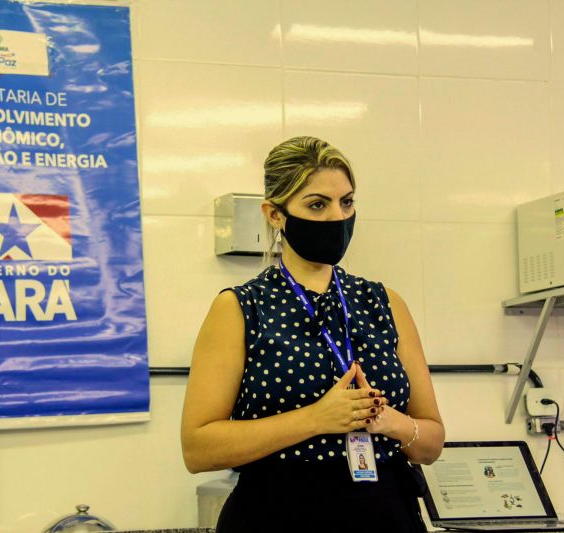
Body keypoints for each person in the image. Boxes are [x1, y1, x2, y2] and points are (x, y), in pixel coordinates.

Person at [181, 136, 445, 532]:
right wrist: (316, 419)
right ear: (275, 214)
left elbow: (432, 442)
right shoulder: (240, 308)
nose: (337, 217)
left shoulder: (385, 303)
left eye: (347, 202)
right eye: (317, 204)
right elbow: (197, 449)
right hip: (279, 513)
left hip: (385, 510)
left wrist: (389, 421)